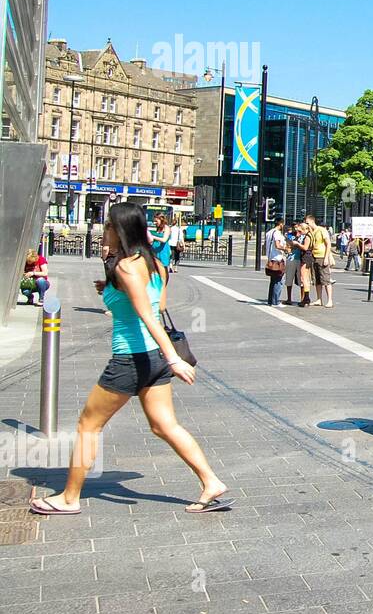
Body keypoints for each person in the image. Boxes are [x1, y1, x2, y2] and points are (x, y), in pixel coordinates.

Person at [29, 202, 229, 516]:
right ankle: (211, 481)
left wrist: (174, 358)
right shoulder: (153, 264)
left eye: (107, 226)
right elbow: (158, 302)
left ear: (120, 230)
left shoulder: (125, 267)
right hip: (153, 359)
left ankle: (69, 498)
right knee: (164, 426)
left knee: (87, 425)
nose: (102, 231)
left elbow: (148, 315)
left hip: (131, 357)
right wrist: (109, 284)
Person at [305, 214, 334, 308]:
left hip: (322, 256)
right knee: (316, 279)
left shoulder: (322, 230)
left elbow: (328, 244)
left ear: (312, 222)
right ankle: (319, 299)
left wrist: (326, 258)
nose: (306, 225)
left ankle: (329, 300)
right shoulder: (311, 232)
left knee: (325, 279)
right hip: (314, 256)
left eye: (307, 223)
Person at [264, 217, 288, 307]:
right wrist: (285, 248)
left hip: (271, 258)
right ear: (281, 224)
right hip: (277, 258)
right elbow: (277, 245)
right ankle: (276, 301)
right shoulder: (277, 233)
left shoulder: (269, 232)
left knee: (273, 280)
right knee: (279, 280)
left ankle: (270, 300)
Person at [291, 222, 314, 307]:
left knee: (304, 278)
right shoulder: (310, 235)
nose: (299, 233)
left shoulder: (308, 236)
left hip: (306, 256)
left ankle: (306, 298)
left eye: (300, 231)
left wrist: (297, 244)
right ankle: (306, 298)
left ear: (305, 229)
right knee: (305, 278)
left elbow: (305, 247)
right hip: (308, 256)